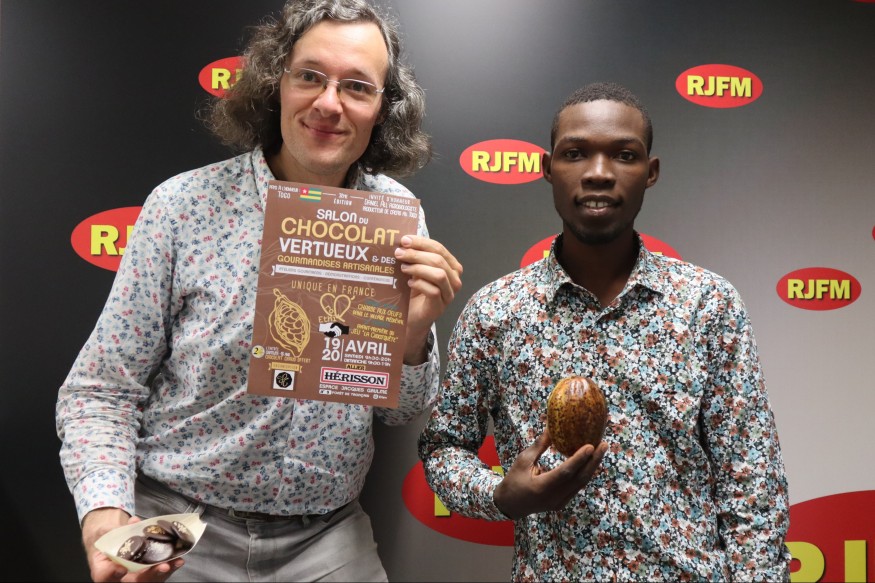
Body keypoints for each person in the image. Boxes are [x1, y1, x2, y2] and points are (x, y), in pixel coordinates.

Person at [56, 1, 463, 581]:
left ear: (383, 107)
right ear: (277, 84)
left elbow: (400, 411)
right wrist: (104, 514)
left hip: (326, 535)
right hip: (179, 523)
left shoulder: (396, 215)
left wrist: (414, 334)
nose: (329, 103)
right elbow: (101, 390)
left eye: (356, 86)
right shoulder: (183, 207)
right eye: (310, 76)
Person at [418, 82, 790, 582]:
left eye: (624, 155)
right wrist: (500, 495)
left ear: (650, 172)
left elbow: (751, 478)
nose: (598, 172)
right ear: (548, 168)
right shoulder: (497, 312)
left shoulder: (707, 304)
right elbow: (443, 447)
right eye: (575, 153)